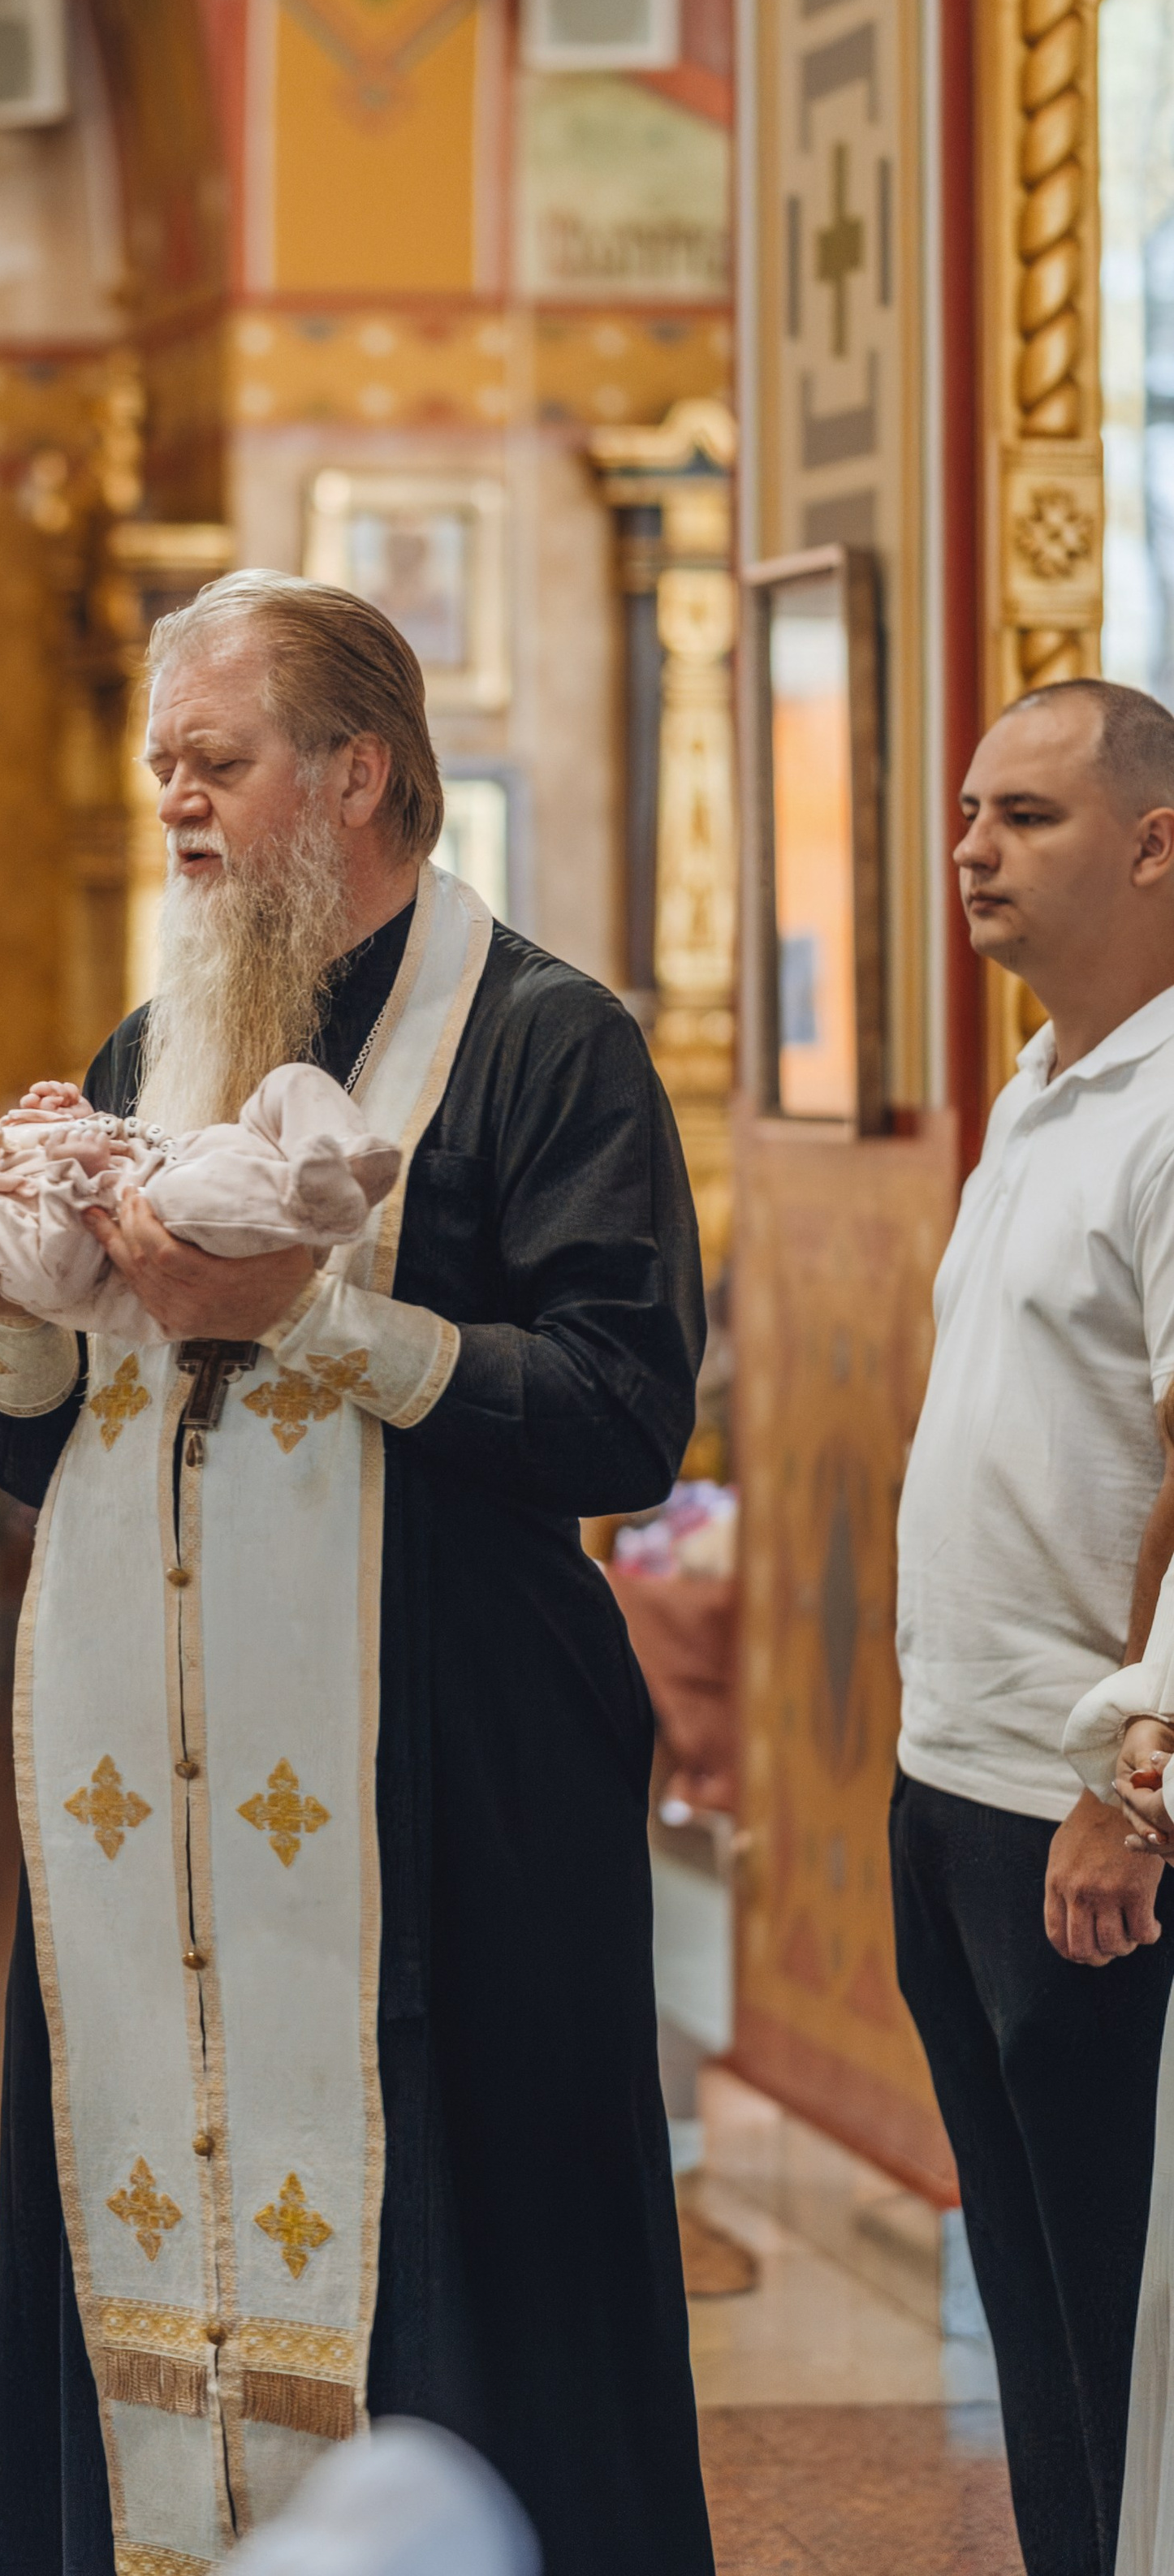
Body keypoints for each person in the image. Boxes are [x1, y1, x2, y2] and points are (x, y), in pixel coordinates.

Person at [0, 572, 714, 2576]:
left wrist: (316, 1319)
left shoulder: (542, 1044)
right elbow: (41, 1437)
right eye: (159, 759)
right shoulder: (154, 1043)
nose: (172, 797)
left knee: (458, 2273)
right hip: (147, 1823)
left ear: (356, 773)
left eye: (213, 759)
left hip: (443, 1787)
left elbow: (621, 1411)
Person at [891, 679, 1174, 2576]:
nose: (971, 847)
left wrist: (1128, 1779)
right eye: (968, 812)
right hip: (951, 1780)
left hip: (1088, 1813)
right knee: (1025, 2302)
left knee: (1111, 2309)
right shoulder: (1037, 1083)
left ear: (1154, 843)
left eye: (1027, 818)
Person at [0, 1042, 399, 1339]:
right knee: (176, 1200)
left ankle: (350, 1162)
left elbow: (112, 1137)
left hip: (193, 1160)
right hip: (177, 1213)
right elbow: (56, 1277)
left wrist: (76, 1114)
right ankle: (307, 1205)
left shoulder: (16, 1131)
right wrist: (71, 1179)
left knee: (286, 1086)